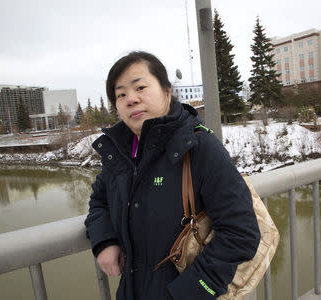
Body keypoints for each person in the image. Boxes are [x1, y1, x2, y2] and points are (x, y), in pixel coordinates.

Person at [84, 51, 260, 300]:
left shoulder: (199, 147)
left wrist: (189, 292)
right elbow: (99, 201)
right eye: (120, 94)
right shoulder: (121, 156)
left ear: (167, 91)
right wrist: (104, 241)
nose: (130, 99)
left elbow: (241, 232)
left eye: (140, 87)